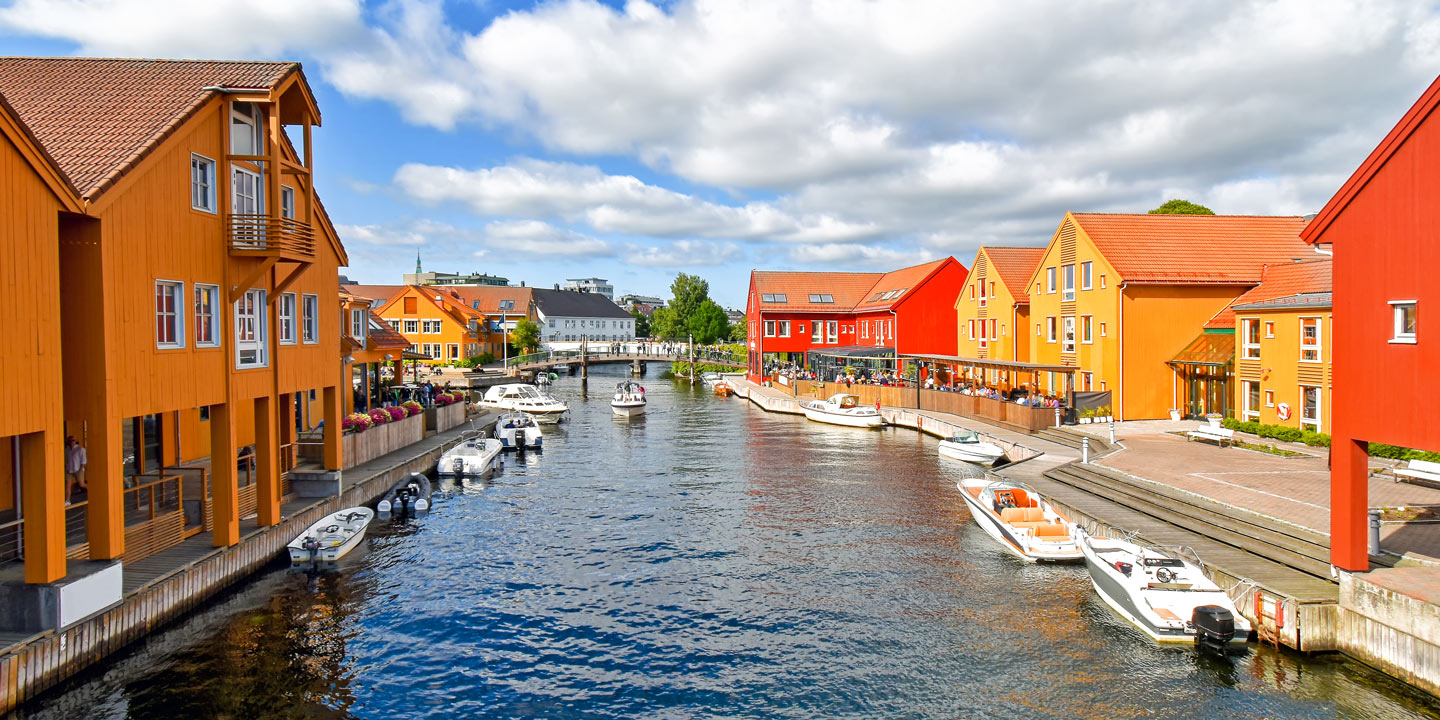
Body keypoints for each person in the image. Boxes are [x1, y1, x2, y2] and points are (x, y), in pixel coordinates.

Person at [65, 436, 87, 504]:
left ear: (76, 441)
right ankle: (67, 501)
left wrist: (81, 468)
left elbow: (83, 460)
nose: (72, 442)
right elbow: (66, 459)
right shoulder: (67, 450)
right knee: (68, 484)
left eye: (73, 440)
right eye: (70, 440)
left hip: (78, 469)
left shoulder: (80, 449)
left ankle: (93, 492)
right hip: (69, 470)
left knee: (81, 484)